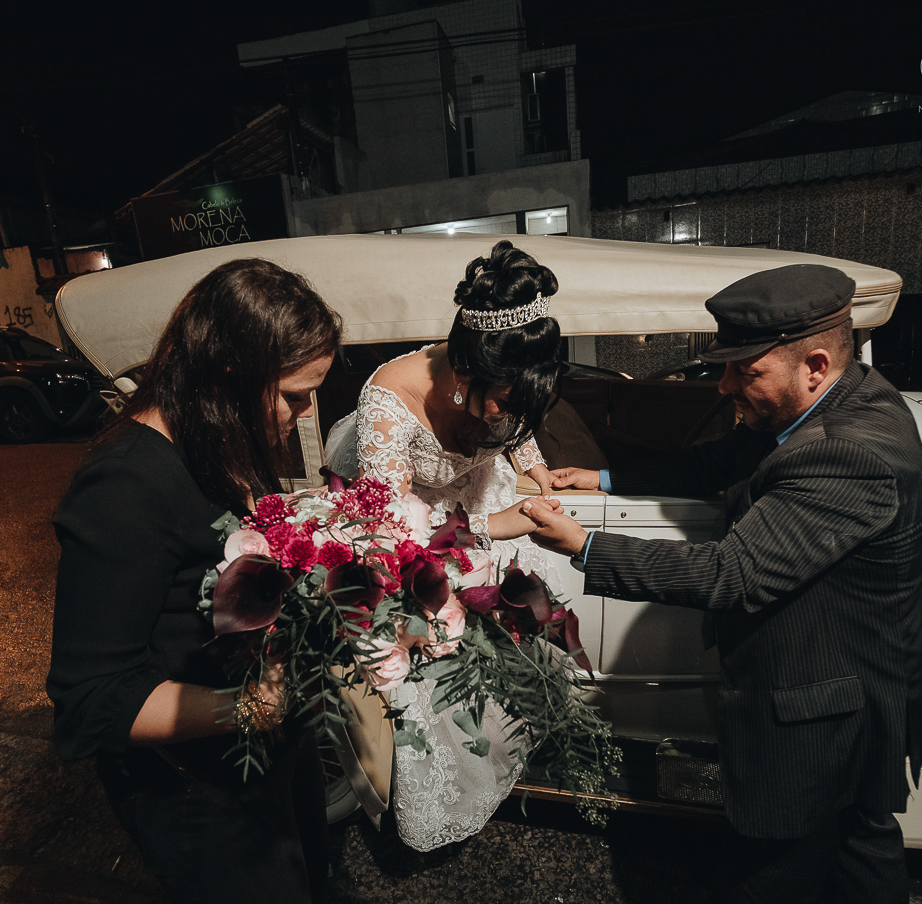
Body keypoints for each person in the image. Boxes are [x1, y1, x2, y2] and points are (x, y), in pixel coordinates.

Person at [523, 264, 922, 904]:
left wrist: (586, 545)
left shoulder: (846, 452)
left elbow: (732, 574)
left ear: (816, 365)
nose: (724, 387)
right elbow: (722, 460)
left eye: (745, 373)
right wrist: (606, 480)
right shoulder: (842, 396)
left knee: (770, 871)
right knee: (860, 846)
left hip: (823, 712)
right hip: (861, 680)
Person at [47, 259, 342, 904]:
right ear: (228, 374)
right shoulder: (124, 487)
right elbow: (90, 702)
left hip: (266, 760)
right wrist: (246, 708)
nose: (308, 410)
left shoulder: (218, 440)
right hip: (200, 794)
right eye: (296, 393)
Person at [324, 239, 565, 851]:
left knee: (516, 635)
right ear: (464, 375)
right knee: (431, 651)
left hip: (479, 496)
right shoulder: (389, 401)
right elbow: (393, 536)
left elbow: (516, 429)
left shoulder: (504, 397)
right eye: (503, 404)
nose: (506, 420)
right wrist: (486, 529)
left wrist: (537, 468)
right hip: (415, 524)